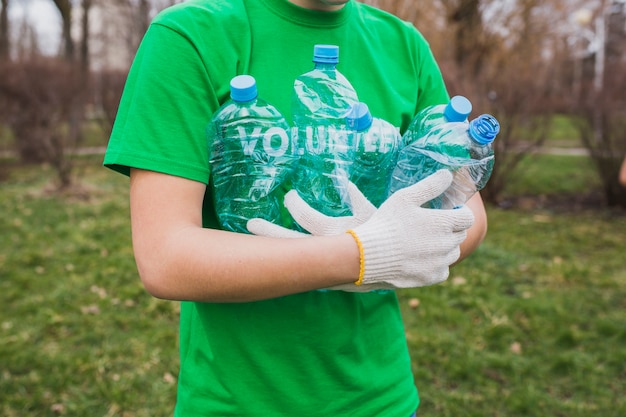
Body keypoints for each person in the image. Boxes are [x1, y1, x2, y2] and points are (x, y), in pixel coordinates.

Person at [103, 0, 488, 415]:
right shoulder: (192, 34)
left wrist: (393, 248)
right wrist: (361, 255)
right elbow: (165, 257)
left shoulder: (404, 44)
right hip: (237, 403)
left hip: (382, 399)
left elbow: (468, 216)